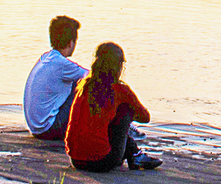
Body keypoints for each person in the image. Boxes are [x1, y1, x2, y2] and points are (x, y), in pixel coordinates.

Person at [65, 42, 162, 172]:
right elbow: (145, 117)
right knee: (124, 111)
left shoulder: (83, 86)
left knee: (101, 118)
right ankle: (135, 154)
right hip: (101, 161)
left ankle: (135, 154)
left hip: (75, 159)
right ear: (119, 66)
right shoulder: (119, 89)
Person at [23, 15, 88, 142]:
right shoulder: (62, 64)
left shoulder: (45, 57)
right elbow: (96, 75)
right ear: (71, 42)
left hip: (35, 127)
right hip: (48, 130)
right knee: (86, 85)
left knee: (77, 80)